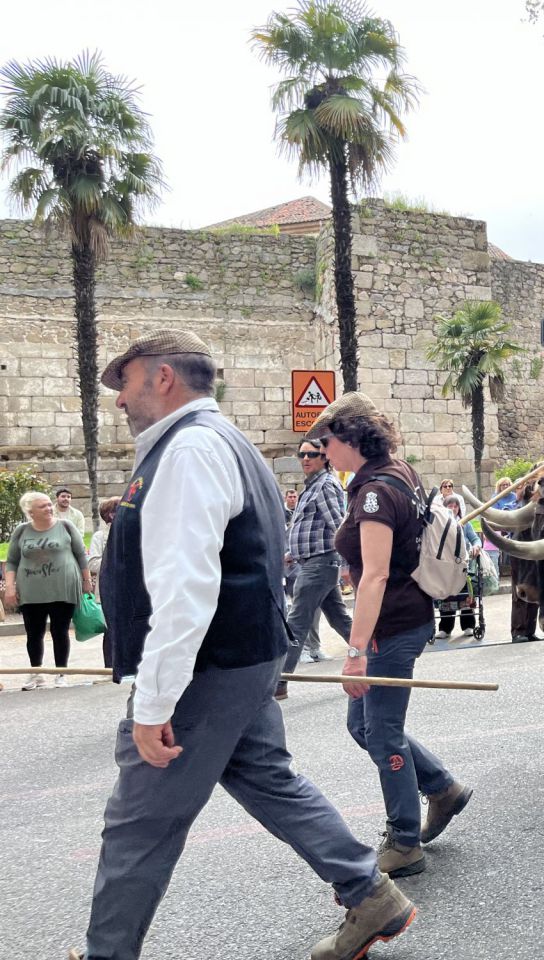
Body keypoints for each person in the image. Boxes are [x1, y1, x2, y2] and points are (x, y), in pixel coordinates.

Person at [73, 330, 416, 960]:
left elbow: (186, 588)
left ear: (162, 377)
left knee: (139, 825)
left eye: (123, 382)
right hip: (243, 656)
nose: (118, 400)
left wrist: (153, 702)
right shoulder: (223, 443)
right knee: (267, 778)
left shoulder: (189, 451)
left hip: (207, 666)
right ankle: (371, 895)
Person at [307, 391, 473, 880]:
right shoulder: (396, 471)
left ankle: (404, 841)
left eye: (326, 442)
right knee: (364, 727)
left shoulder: (375, 493)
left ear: (350, 439)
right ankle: (442, 787)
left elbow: (375, 575)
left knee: (380, 733)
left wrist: (356, 652)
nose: (321, 452)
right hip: (403, 618)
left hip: (392, 625)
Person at [277, 438, 352, 699]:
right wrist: (291, 554)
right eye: (302, 454)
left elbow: (338, 525)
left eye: (312, 454)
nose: (305, 458)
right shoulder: (311, 487)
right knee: (339, 618)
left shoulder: (325, 485)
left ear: (325, 458)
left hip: (321, 563)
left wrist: (348, 564)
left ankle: (279, 681)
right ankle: (375, 659)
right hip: (312, 561)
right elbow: (311, 528)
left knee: (296, 620)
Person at [3, 490, 92, 690]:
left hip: (63, 587)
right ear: (30, 511)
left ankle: (62, 673)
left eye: (48, 504)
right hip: (31, 590)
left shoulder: (66, 526)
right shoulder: (21, 530)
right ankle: (36, 673)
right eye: (42, 506)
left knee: (60, 631)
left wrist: (87, 581)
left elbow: (81, 555)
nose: (49, 508)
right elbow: (11, 561)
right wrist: (10, 587)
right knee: (33, 633)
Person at [437, 493, 483, 639]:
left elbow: (476, 539)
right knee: (446, 596)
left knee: (466, 595)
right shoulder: (439, 524)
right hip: (445, 566)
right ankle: (445, 628)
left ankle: (469, 625)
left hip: (463, 565)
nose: (453, 508)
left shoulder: (465, 523)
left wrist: (476, 546)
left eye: (455, 506)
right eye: (450, 505)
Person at [88, 496, 122, 668]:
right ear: (110, 515)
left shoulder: (135, 531)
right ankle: (110, 667)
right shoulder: (100, 537)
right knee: (110, 631)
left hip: (132, 589)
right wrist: (119, 562)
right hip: (110, 589)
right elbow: (93, 563)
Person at [509, 481, 542, 643]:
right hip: (520, 553)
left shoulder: (540, 507)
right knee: (520, 592)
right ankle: (518, 631)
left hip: (535, 552)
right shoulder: (521, 507)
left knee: (534, 590)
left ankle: (529, 630)